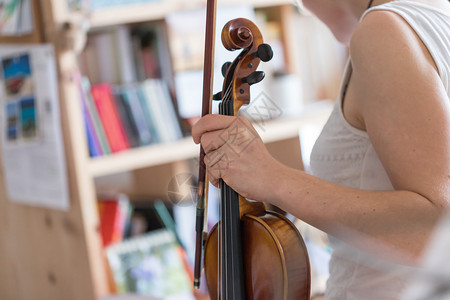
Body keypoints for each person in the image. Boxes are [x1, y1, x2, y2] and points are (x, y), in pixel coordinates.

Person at [192, 0, 450, 299]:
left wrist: (271, 177)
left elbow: (437, 228)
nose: (302, 6)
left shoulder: (383, 30)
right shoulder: (437, 14)